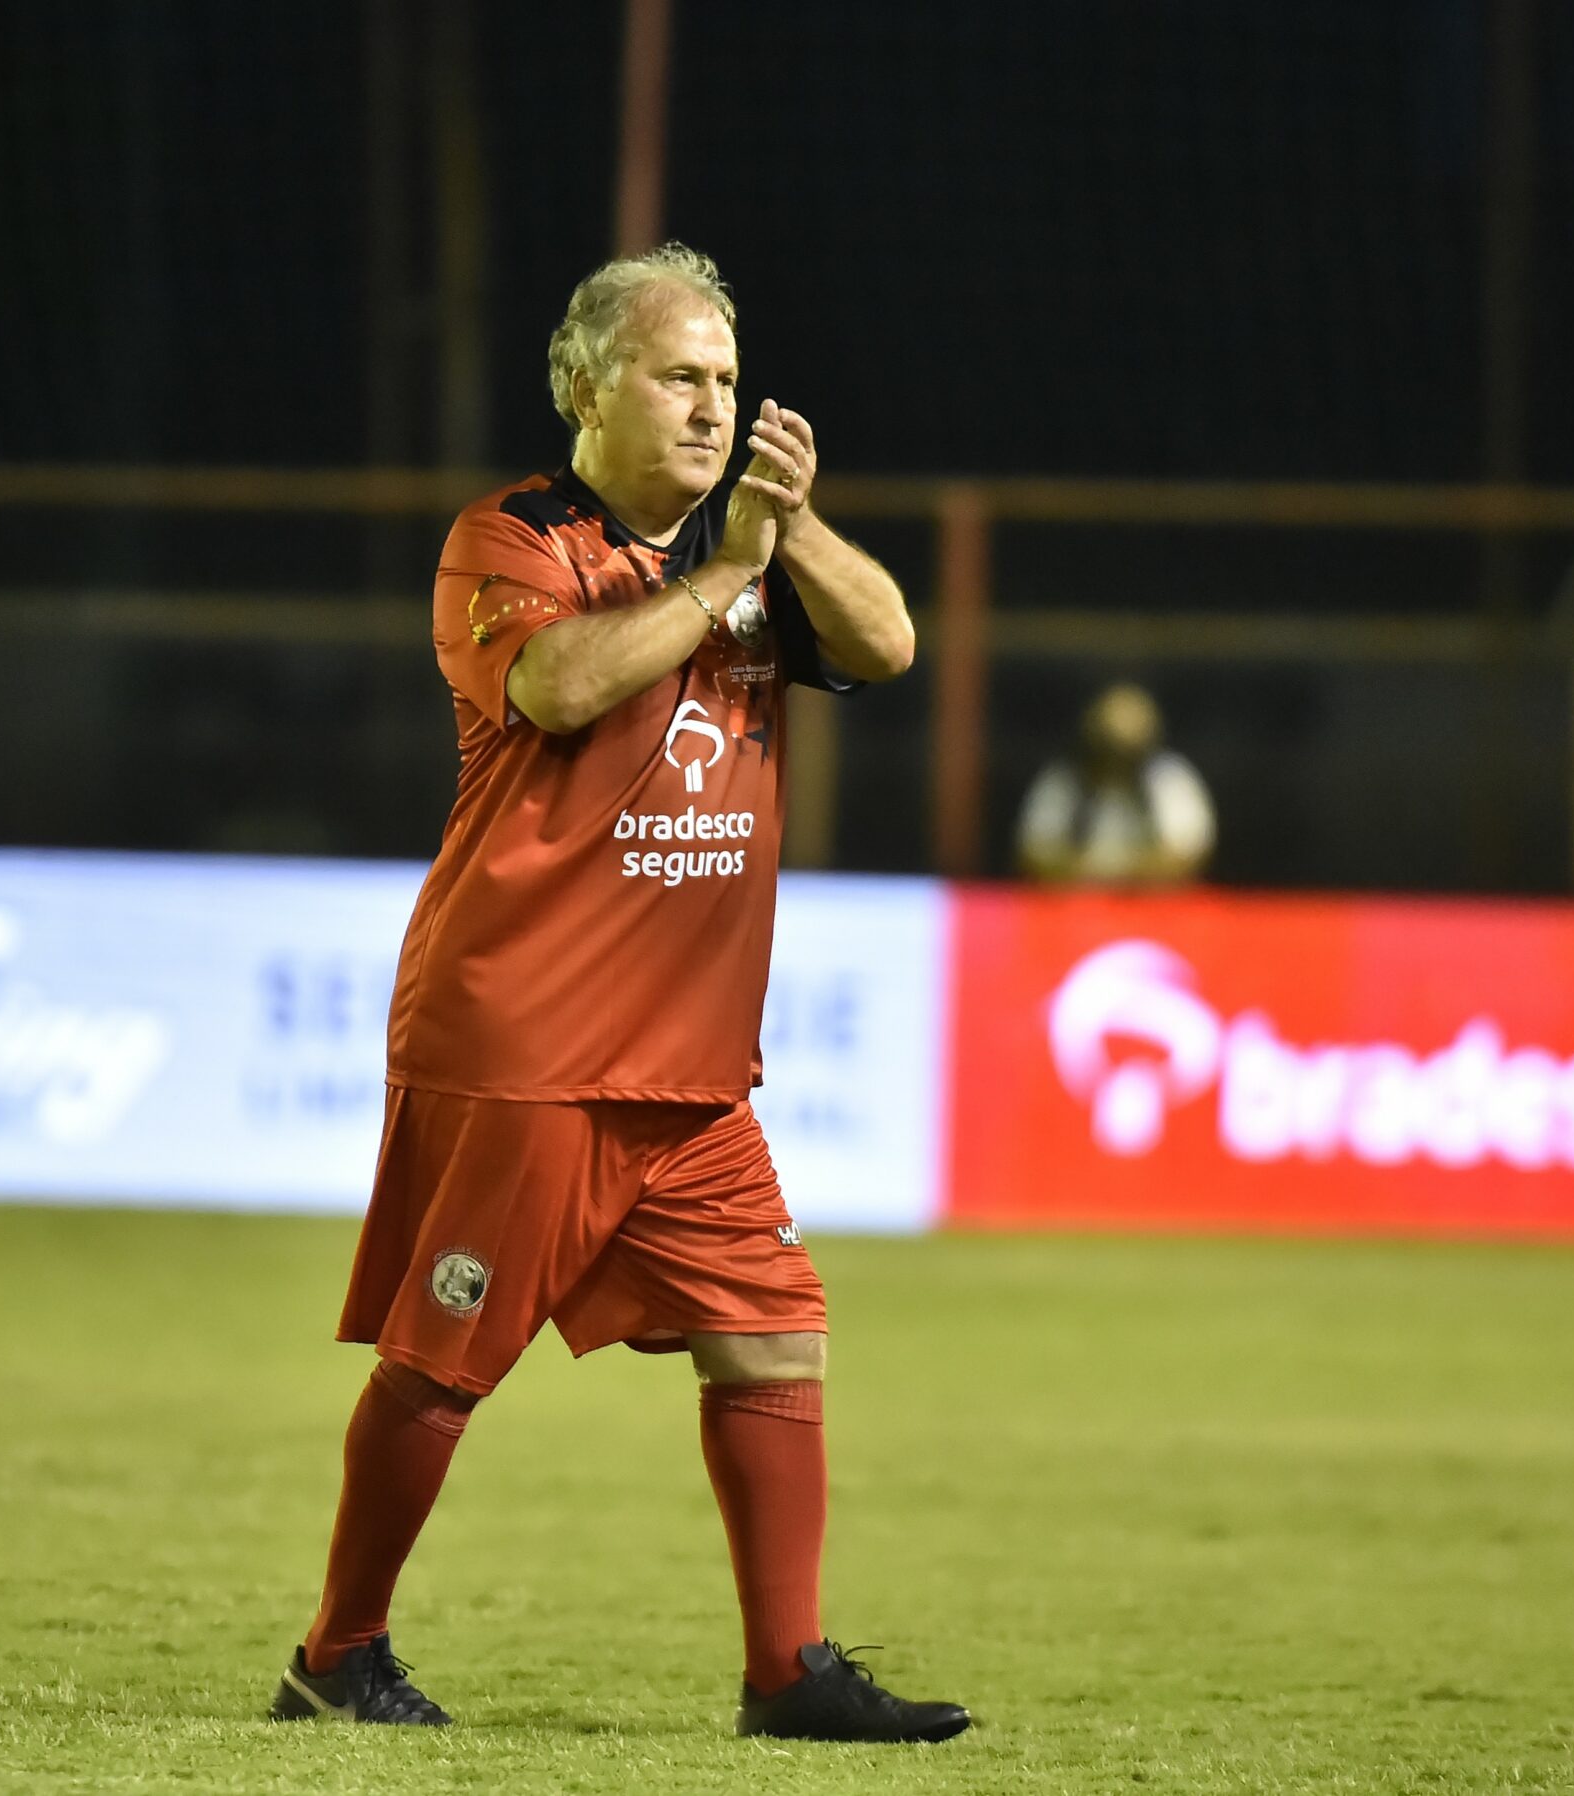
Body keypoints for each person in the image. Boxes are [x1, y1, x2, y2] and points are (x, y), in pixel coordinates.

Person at [267, 244, 970, 1744]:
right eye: (678, 376)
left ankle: (788, 1675)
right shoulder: (509, 540)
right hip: (525, 1037)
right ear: (591, 386)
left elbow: (894, 642)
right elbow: (561, 691)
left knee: (776, 1329)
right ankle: (338, 1655)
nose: (711, 408)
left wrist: (792, 530)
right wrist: (723, 574)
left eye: (727, 380)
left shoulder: (757, 555)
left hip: (685, 1065)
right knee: (444, 1361)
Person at [1016, 682, 1217, 885]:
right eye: (1108, 748)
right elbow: (1035, 854)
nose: (1117, 761)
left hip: (1154, 908)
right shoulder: (1064, 780)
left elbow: (1188, 855)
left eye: (1128, 752)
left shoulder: (1169, 777)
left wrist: (1116, 872)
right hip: (1074, 905)